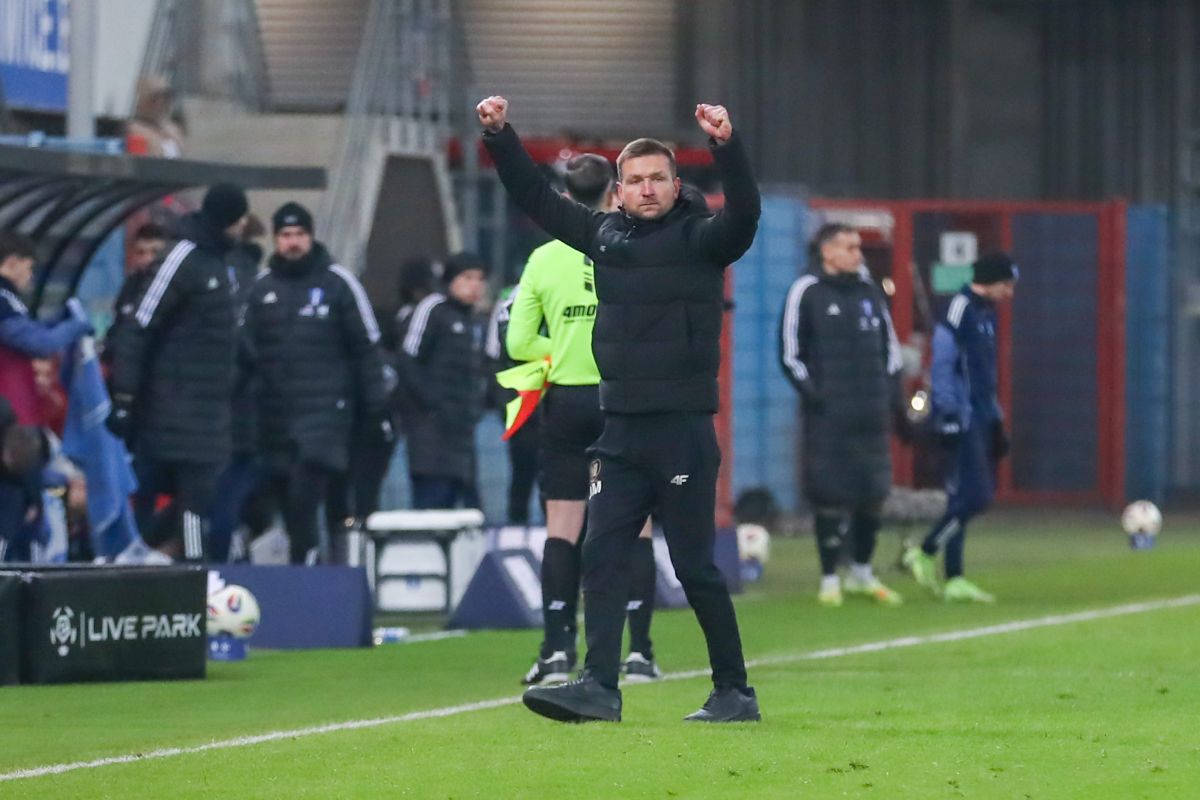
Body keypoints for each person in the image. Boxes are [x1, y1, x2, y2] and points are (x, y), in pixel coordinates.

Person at [479, 95, 760, 723]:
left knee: (693, 567)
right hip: (620, 432)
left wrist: (726, 145)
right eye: (635, 180)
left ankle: (734, 691)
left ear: (676, 185)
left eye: (657, 178)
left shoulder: (704, 240)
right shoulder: (603, 239)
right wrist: (500, 137)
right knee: (602, 554)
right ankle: (600, 686)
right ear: (619, 190)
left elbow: (746, 211)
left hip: (682, 431)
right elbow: (535, 197)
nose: (647, 189)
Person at [505, 153, 662, 686]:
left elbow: (517, 342)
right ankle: (639, 653)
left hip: (567, 401)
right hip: (622, 399)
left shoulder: (544, 258)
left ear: (565, 197)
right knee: (636, 524)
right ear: (614, 192)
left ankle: (556, 650)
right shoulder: (634, 247)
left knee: (563, 526)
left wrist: (562, 352)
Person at [240, 202, 390, 564]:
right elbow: (243, 352)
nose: (293, 242)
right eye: (285, 235)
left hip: (327, 416)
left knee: (307, 496)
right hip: (276, 419)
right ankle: (311, 569)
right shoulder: (261, 290)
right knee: (287, 501)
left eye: (300, 234)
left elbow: (367, 349)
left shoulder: (339, 284)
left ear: (311, 236)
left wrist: (376, 409)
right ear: (276, 239)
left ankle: (318, 570)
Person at [107, 183, 249, 562]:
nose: (242, 227)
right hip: (171, 407)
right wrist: (124, 397)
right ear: (227, 220)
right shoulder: (182, 258)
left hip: (210, 412)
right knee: (165, 494)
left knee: (196, 500)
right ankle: (155, 566)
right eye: (239, 219)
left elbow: (231, 339)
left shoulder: (224, 264)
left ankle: (180, 568)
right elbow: (140, 325)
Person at [779, 223, 909, 608]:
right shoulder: (807, 291)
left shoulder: (870, 291)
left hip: (870, 414)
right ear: (828, 251)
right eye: (850, 247)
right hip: (829, 418)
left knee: (873, 495)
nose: (858, 254)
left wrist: (890, 397)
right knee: (830, 497)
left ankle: (862, 573)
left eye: (858, 247)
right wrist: (818, 396)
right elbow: (789, 354)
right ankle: (829, 578)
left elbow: (891, 351)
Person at [903, 252, 1017, 603]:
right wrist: (949, 414)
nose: (1010, 292)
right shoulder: (960, 309)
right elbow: (942, 365)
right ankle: (925, 551)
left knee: (960, 497)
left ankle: (954, 577)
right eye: (1007, 284)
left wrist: (996, 420)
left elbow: (984, 376)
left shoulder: (986, 313)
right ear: (991, 280)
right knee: (977, 496)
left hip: (981, 416)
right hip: (962, 417)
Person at [395, 253, 488, 510]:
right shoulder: (433, 309)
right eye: (467, 277)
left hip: (462, 432)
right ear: (450, 280)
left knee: (469, 508)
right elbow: (408, 358)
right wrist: (432, 402)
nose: (475, 285)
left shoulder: (476, 322)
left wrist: (475, 407)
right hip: (431, 431)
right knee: (432, 504)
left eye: (480, 279)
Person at [485, 283, 541, 525]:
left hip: (555, 394)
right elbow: (494, 353)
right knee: (524, 470)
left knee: (562, 476)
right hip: (524, 397)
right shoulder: (512, 295)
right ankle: (519, 528)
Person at [102, 223, 166, 372]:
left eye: (155, 252)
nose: (148, 259)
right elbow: (118, 326)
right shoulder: (131, 286)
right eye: (141, 252)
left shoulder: (178, 287)